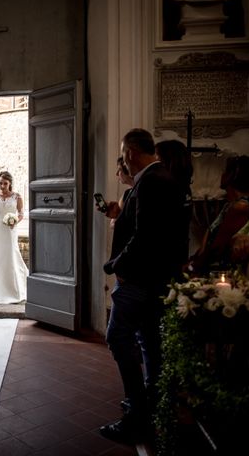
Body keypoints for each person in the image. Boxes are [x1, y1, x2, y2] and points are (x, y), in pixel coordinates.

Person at [101, 129, 186, 445]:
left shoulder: (151, 181)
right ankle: (150, 408)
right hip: (153, 279)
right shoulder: (161, 178)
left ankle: (137, 413)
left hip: (139, 279)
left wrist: (116, 265)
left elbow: (145, 237)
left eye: (123, 153)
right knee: (148, 342)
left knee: (118, 338)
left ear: (132, 152)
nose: (122, 159)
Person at [190, 156, 249, 275]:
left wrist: (193, 266)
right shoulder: (231, 203)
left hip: (219, 271)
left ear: (233, 175)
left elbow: (217, 247)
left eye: (226, 170)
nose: (222, 174)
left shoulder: (241, 207)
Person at [0, 171, 28, 304]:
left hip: (9, 230)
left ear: (10, 183)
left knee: (10, 256)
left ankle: (13, 289)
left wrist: (15, 220)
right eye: (0, 183)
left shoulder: (17, 197)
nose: (2, 186)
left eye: (5, 183)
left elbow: (21, 213)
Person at [155, 139, 194, 264]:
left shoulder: (168, 189)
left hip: (164, 256)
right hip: (178, 252)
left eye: (157, 157)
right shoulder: (183, 186)